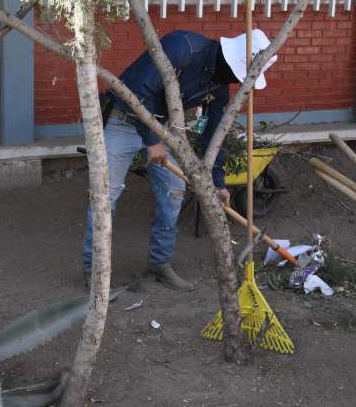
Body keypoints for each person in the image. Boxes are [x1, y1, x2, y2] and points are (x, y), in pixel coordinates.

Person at [82, 29, 276, 291]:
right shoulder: (183, 48)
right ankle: (95, 273)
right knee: (105, 196)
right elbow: (141, 89)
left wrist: (217, 182)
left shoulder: (217, 88)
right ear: (231, 61)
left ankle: (158, 264)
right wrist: (152, 142)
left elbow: (213, 135)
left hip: (163, 131)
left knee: (174, 191)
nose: (237, 81)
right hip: (124, 121)